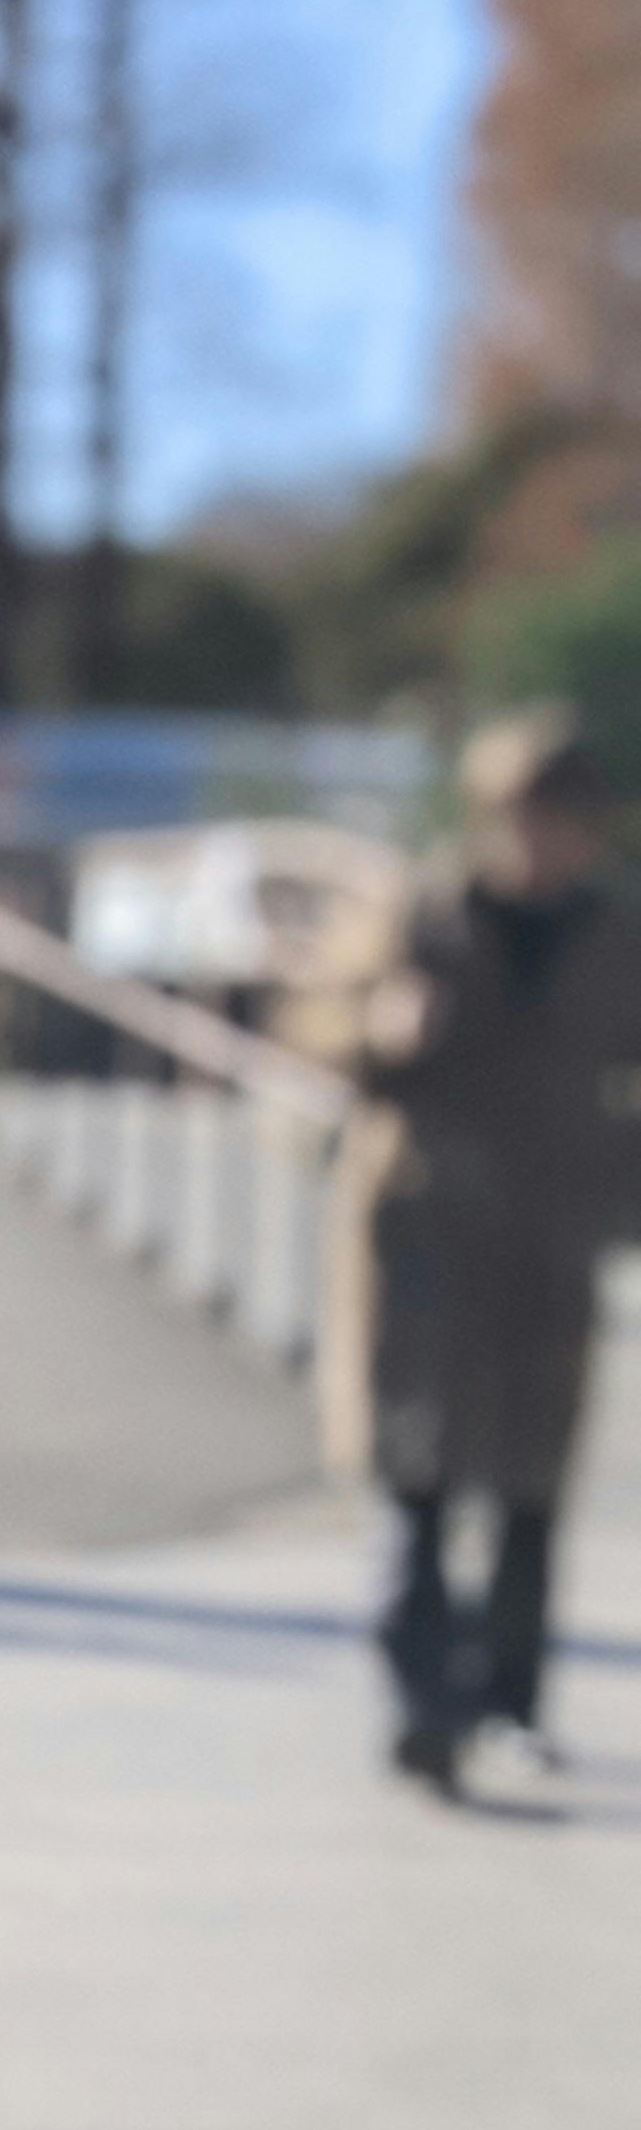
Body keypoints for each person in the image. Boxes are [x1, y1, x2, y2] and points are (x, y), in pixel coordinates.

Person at [339, 706, 641, 1794]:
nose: (540, 839)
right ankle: (422, 1700)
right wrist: (373, 1033)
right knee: (420, 1466)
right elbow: (310, 1039)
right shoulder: (421, 915)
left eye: (561, 819)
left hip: (552, 1236)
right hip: (430, 1232)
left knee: (531, 1480)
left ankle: (510, 1702)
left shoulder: (616, 933)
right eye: (522, 816)